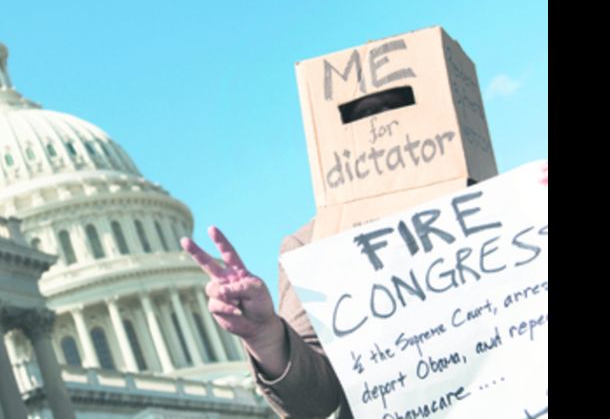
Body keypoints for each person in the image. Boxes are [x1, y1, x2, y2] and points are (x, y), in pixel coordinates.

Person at [181, 162, 548, 419]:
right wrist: (266, 337)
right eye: (366, 116)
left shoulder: (507, 201)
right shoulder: (314, 246)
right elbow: (313, 402)